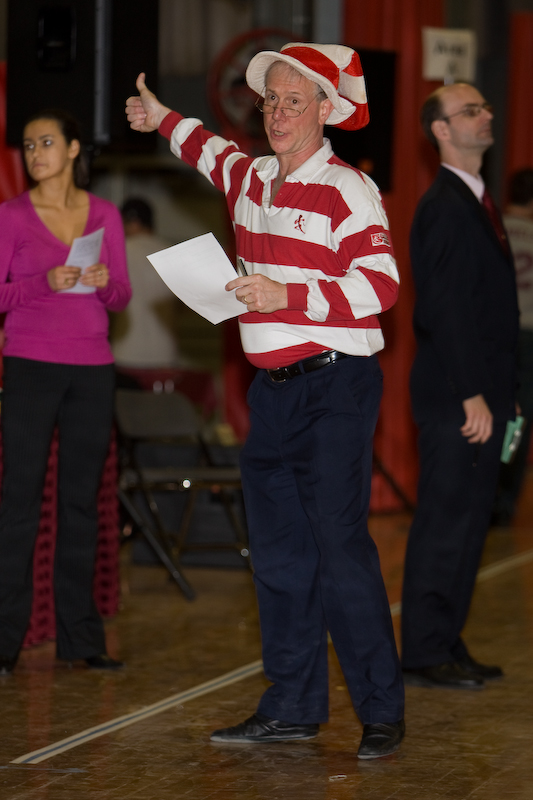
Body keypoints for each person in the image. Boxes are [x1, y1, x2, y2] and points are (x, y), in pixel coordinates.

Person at [126, 42, 405, 760]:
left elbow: (381, 286)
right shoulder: (249, 176)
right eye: (270, 100)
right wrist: (160, 116)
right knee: (278, 556)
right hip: (273, 395)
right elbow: (206, 147)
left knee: (339, 548)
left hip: (336, 386)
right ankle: (291, 707)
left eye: (293, 100)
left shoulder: (348, 189)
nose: (276, 113)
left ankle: (380, 710)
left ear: (326, 109)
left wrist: (287, 293)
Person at [0, 109, 131, 675]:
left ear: (74, 148)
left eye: (47, 142)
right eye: (29, 146)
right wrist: (41, 282)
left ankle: (81, 638)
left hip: (92, 368)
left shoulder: (104, 214)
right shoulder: (10, 215)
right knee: (20, 503)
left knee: (81, 504)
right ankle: (4, 640)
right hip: (30, 365)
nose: (35, 154)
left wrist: (104, 284)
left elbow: (123, 294)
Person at [401, 83, 519, 689]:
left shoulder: (475, 199)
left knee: (472, 521)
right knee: (446, 519)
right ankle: (424, 649)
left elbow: (488, 310)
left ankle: (446, 638)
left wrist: (504, 391)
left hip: (482, 392)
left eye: (485, 106)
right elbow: (443, 310)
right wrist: (472, 391)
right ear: (442, 130)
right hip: (456, 395)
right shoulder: (444, 206)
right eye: (471, 110)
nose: (486, 115)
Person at [492, 168, 533, 525]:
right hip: (529, 334)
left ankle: (485, 494)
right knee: (521, 419)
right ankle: (505, 501)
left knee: (490, 411)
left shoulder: (493, 228)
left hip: (495, 334)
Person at [110, 197, 185, 369]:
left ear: (132, 223)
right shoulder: (172, 253)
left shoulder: (116, 252)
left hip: (125, 351)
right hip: (164, 352)